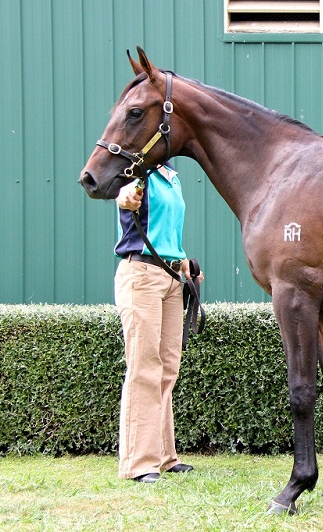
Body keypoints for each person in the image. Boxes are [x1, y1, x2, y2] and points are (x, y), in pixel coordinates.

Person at [113, 162, 203, 483]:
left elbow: (165, 233)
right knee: (144, 367)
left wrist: (183, 262)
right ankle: (139, 463)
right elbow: (125, 194)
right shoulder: (138, 173)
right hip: (141, 275)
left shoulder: (172, 178)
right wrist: (125, 196)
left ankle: (165, 456)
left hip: (170, 277)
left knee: (167, 368)